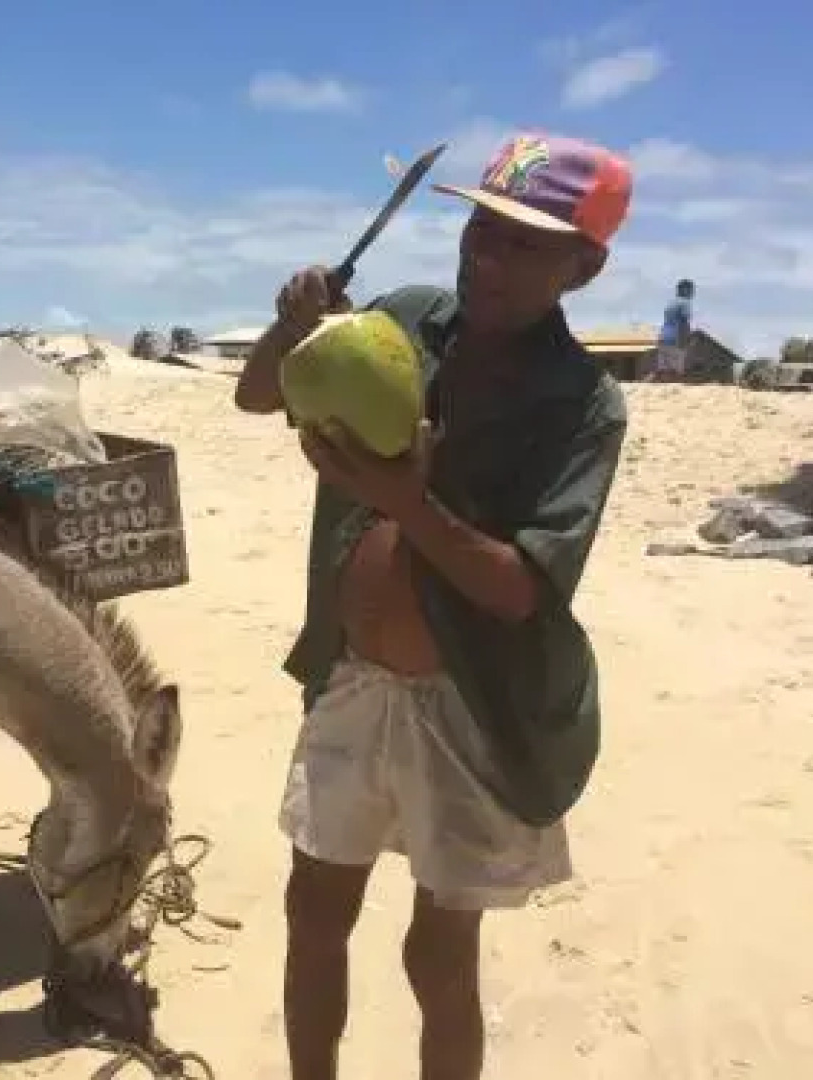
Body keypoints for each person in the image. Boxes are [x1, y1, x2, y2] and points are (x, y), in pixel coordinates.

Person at [232, 131, 632, 1080]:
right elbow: (257, 396)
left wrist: (403, 498)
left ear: (584, 266)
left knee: (438, 954)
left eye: (523, 245)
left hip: (472, 707)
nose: (487, 257)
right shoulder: (400, 320)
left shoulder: (582, 404)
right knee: (312, 916)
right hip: (351, 682)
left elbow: (521, 587)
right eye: (481, 231)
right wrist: (292, 328)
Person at [653, 278, 694, 380]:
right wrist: (687, 339)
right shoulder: (685, 302)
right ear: (684, 290)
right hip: (675, 339)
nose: (692, 292)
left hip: (663, 337)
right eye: (691, 289)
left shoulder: (671, 303)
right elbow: (683, 323)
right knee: (676, 373)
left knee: (663, 371)